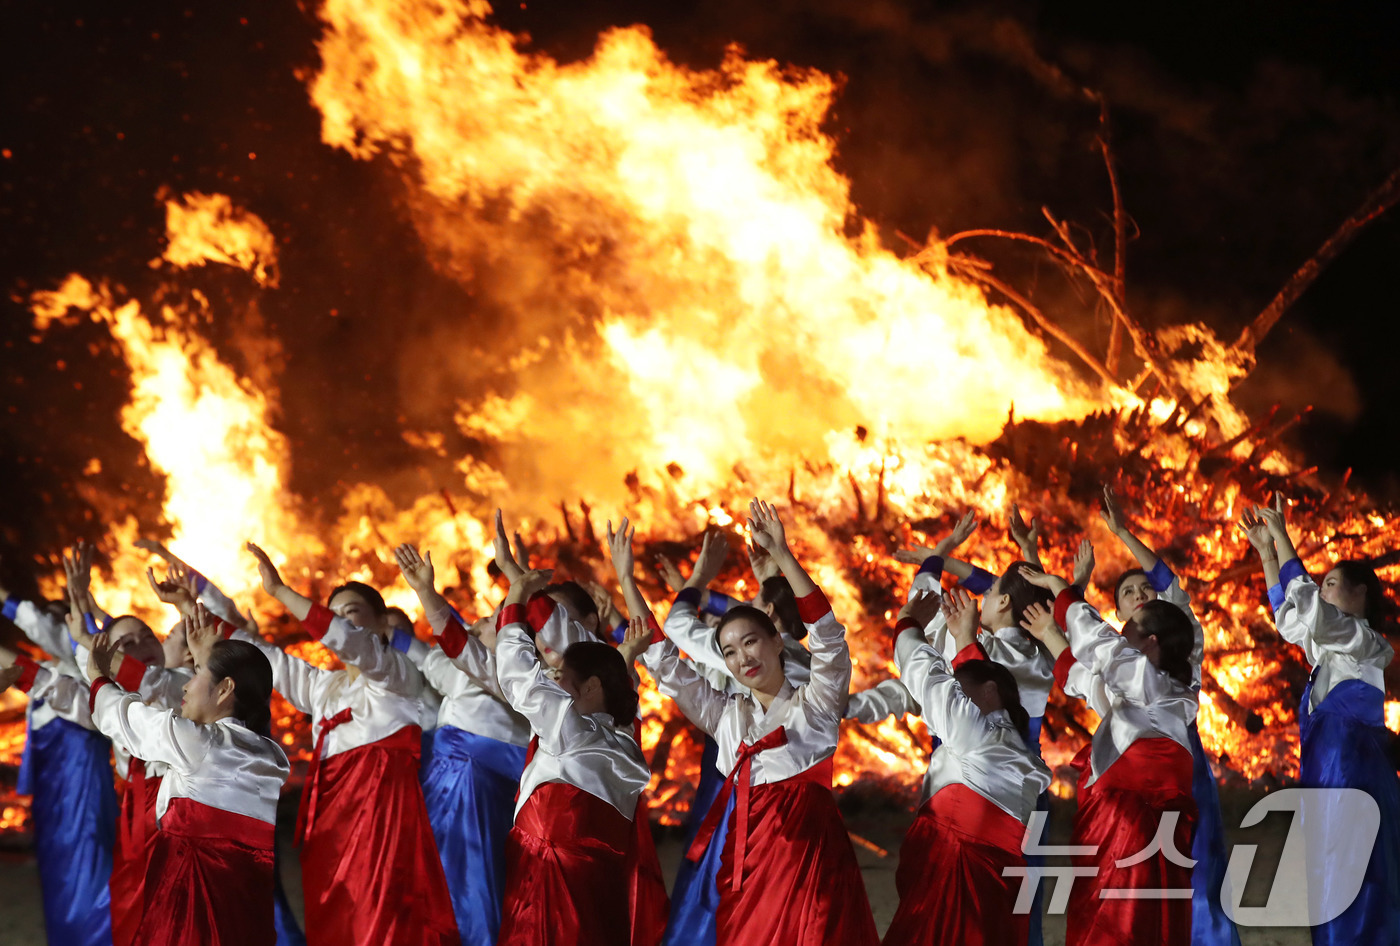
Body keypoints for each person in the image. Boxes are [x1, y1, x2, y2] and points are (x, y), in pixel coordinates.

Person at [638, 499, 879, 946]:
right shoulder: (727, 716)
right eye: (729, 652)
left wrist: (784, 555)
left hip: (811, 862)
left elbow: (828, 635)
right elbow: (669, 667)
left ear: (776, 639)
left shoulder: (816, 702)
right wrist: (627, 583)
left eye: (750, 643)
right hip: (746, 865)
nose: (741, 658)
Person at [240, 542, 459, 946]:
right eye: (334, 614)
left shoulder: (396, 674)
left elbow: (351, 643)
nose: (339, 623)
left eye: (351, 612)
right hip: (331, 826)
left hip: (382, 823)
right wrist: (197, 607)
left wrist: (282, 592)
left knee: (383, 922)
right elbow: (270, 659)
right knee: (336, 920)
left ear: (380, 625)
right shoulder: (325, 687)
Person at [1242, 495, 1400, 945]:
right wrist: (1268, 554)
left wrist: (1285, 540)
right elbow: (1290, 620)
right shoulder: (1327, 652)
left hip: (1357, 790)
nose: (1323, 589)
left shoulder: (1367, 643)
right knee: (1329, 891)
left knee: (1361, 893)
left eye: (1330, 582)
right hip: (1325, 793)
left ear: (1361, 592)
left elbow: (1313, 611)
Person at [83, 604, 289, 945]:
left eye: (195, 675)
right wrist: (208, 656)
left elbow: (129, 719)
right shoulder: (267, 754)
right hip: (244, 900)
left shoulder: (200, 743)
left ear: (224, 690)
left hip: (191, 892)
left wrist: (98, 678)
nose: (185, 685)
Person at [1020, 566, 1198, 946]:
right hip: (1131, 817)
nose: (1122, 633)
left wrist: (1061, 589)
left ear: (1149, 642)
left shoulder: (1147, 679)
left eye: (1129, 629)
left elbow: (1100, 644)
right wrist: (1050, 633)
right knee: (1128, 912)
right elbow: (1085, 680)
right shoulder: (1147, 689)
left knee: (1117, 919)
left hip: (1130, 820)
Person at [1096, 485, 1239, 946]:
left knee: (1196, 867)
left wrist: (1121, 532)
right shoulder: (1109, 655)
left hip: (1181, 766)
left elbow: (1171, 585)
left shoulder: (1183, 637)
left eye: (1144, 588)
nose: (1139, 594)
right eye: (1128, 593)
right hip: (1128, 779)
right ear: (1117, 611)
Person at [492, 567, 655, 945]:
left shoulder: (572, 729)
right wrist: (626, 658)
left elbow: (517, 675)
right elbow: (618, 692)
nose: (555, 681)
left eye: (563, 676)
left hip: (548, 883)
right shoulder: (625, 741)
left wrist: (516, 598)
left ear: (592, 686)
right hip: (595, 885)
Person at [884, 586, 1051, 946]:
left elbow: (926, 677)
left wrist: (906, 624)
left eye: (959, 687)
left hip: (955, 886)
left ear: (989, 692)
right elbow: (976, 684)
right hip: (994, 888)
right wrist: (964, 639)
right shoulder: (1013, 746)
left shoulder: (976, 733)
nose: (954, 695)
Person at [394, 539, 531, 946]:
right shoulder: (469, 672)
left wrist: (425, 594)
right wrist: (392, 634)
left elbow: (448, 643)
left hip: (471, 789)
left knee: (469, 885)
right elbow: (433, 654)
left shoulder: (511, 680)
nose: (476, 625)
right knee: (444, 881)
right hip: (448, 785)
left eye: (487, 623)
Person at [0, 543, 117, 946]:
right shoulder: (48, 672)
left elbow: (37, 627)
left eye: (61, 619)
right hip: (51, 799)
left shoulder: (84, 671)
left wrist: (79, 601)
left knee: (89, 865)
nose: (51, 625)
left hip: (83, 786)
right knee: (58, 872)